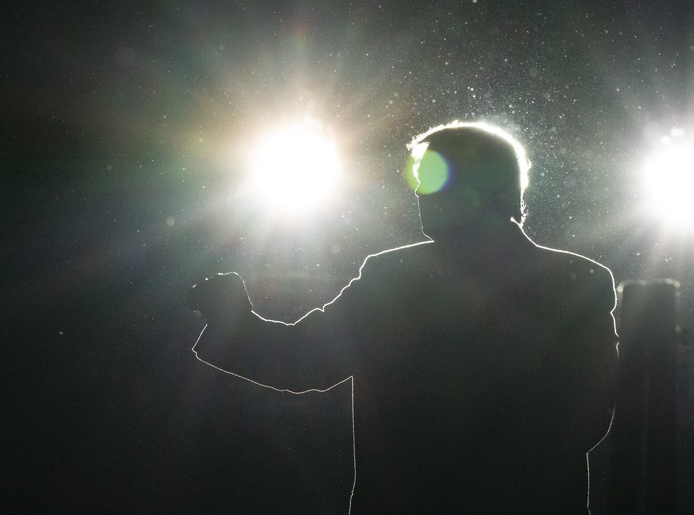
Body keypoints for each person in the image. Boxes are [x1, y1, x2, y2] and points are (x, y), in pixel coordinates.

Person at [188, 121, 619, 514]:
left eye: (429, 176)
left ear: (477, 186)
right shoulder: (582, 281)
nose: (417, 192)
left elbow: (304, 361)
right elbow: (592, 417)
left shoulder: (395, 277)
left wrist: (230, 317)